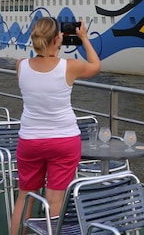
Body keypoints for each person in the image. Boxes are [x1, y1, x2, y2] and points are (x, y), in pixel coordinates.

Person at [10, 17, 101, 235]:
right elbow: (96, 66)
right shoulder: (69, 67)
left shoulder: (21, 65)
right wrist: (84, 38)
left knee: (25, 196)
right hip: (64, 141)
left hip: (31, 140)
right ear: (57, 39)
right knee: (55, 198)